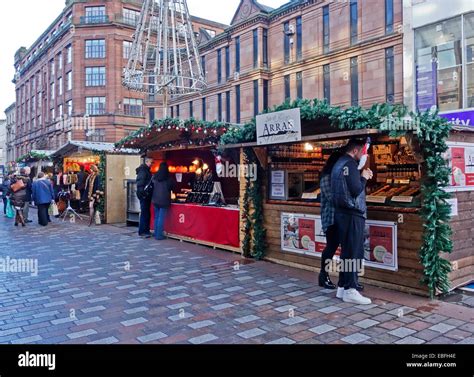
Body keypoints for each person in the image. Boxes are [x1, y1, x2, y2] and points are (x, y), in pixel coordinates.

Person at [331, 138, 373, 305]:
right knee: (353, 252)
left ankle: (342, 286)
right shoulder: (350, 165)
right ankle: (351, 289)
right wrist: (364, 177)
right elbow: (355, 189)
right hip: (352, 214)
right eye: (363, 151)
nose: (364, 155)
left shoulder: (339, 163)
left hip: (342, 214)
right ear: (355, 151)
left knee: (347, 251)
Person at [318, 150, 343, 289]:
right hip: (331, 218)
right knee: (331, 247)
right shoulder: (326, 178)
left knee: (342, 247)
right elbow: (332, 198)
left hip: (340, 218)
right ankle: (323, 275)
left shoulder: (336, 176)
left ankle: (344, 278)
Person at [152, 162, 175, 241]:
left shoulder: (155, 176)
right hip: (164, 200)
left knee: (156, 217)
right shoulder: (168, 178)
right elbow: (172, 187)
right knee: (161, 218)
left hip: (155, 199)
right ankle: (159, 235)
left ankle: (155, 233)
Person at [136, 158, 153, 238]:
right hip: (144, 195)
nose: (152, 163)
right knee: (144, 213)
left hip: (145, 195)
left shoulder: (146, 170)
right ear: (146, 161)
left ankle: (146, 230)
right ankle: (142, 231)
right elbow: (140, 183)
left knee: (146, 213)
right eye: (151, 162)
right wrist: (143, 194)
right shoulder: (143, 170)